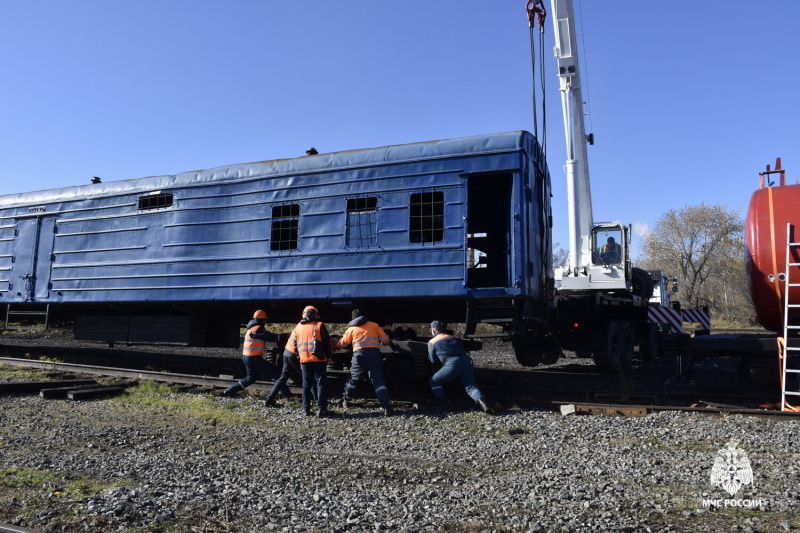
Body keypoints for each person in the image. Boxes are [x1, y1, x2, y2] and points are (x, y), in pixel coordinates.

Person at [336, 309, 394, 417]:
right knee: (378, 381)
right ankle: (386, 407)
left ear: (353, 318)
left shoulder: (351, 329)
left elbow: (342, 344)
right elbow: (385, 340)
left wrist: (335, 344)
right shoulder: (374, 325)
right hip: (374, 356)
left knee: (353, 378)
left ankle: (345, 401)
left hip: (359, 357)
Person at [223, 310, 291, 398]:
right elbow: (272, 337)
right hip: (253, 358)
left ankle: (230, 390)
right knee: (274, 373)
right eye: (265, 320)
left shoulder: (252, 328)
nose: (265, 322)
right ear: (262, 320)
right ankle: (287, 395)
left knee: (250, 378)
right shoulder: (257, 329)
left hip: (247, 357)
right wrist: (286, 335)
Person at [427, 321, 492, 413]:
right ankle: (485, 405)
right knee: (471, 387)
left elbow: (433, 361)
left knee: (434, 381)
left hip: (452, 364)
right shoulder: (453, 337)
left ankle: (444, 405)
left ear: (433, 331)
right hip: (465, 361)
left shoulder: (432, 342)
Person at [288, 305, 332, 417]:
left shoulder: (298, 327)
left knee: (306, 385)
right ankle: (322, 409)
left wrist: (299, 357)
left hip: (304, 359)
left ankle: (306, 409)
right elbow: (326, 342)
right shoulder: (319, 325)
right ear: (315, 315)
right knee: (320, 383)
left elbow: (294, 344)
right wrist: (329, 356)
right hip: (318, 359)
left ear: (304, 314)